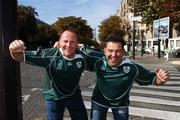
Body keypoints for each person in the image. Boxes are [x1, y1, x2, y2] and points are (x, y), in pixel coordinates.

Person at [9, 28, 88, 120]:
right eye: (65, 41)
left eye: (72, 42)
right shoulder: (49, 55)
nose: (68, 45)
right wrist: (13, 49)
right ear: (59, 42)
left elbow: (100, 59)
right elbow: (20, 57)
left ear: (77, 44)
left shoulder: (83, 55)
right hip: (54, 96)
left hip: (74, 94)